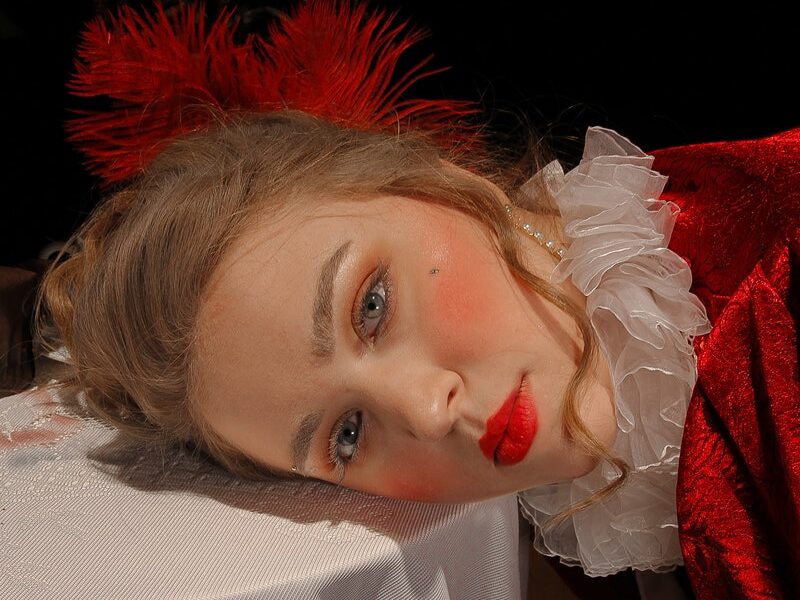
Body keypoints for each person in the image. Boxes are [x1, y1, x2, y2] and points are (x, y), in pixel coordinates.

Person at [31, 1, 800, 599]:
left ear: (452, 188)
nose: (430, 413)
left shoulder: (781, 296)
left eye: (370, 305)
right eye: (345, 435)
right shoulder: (606, 509)